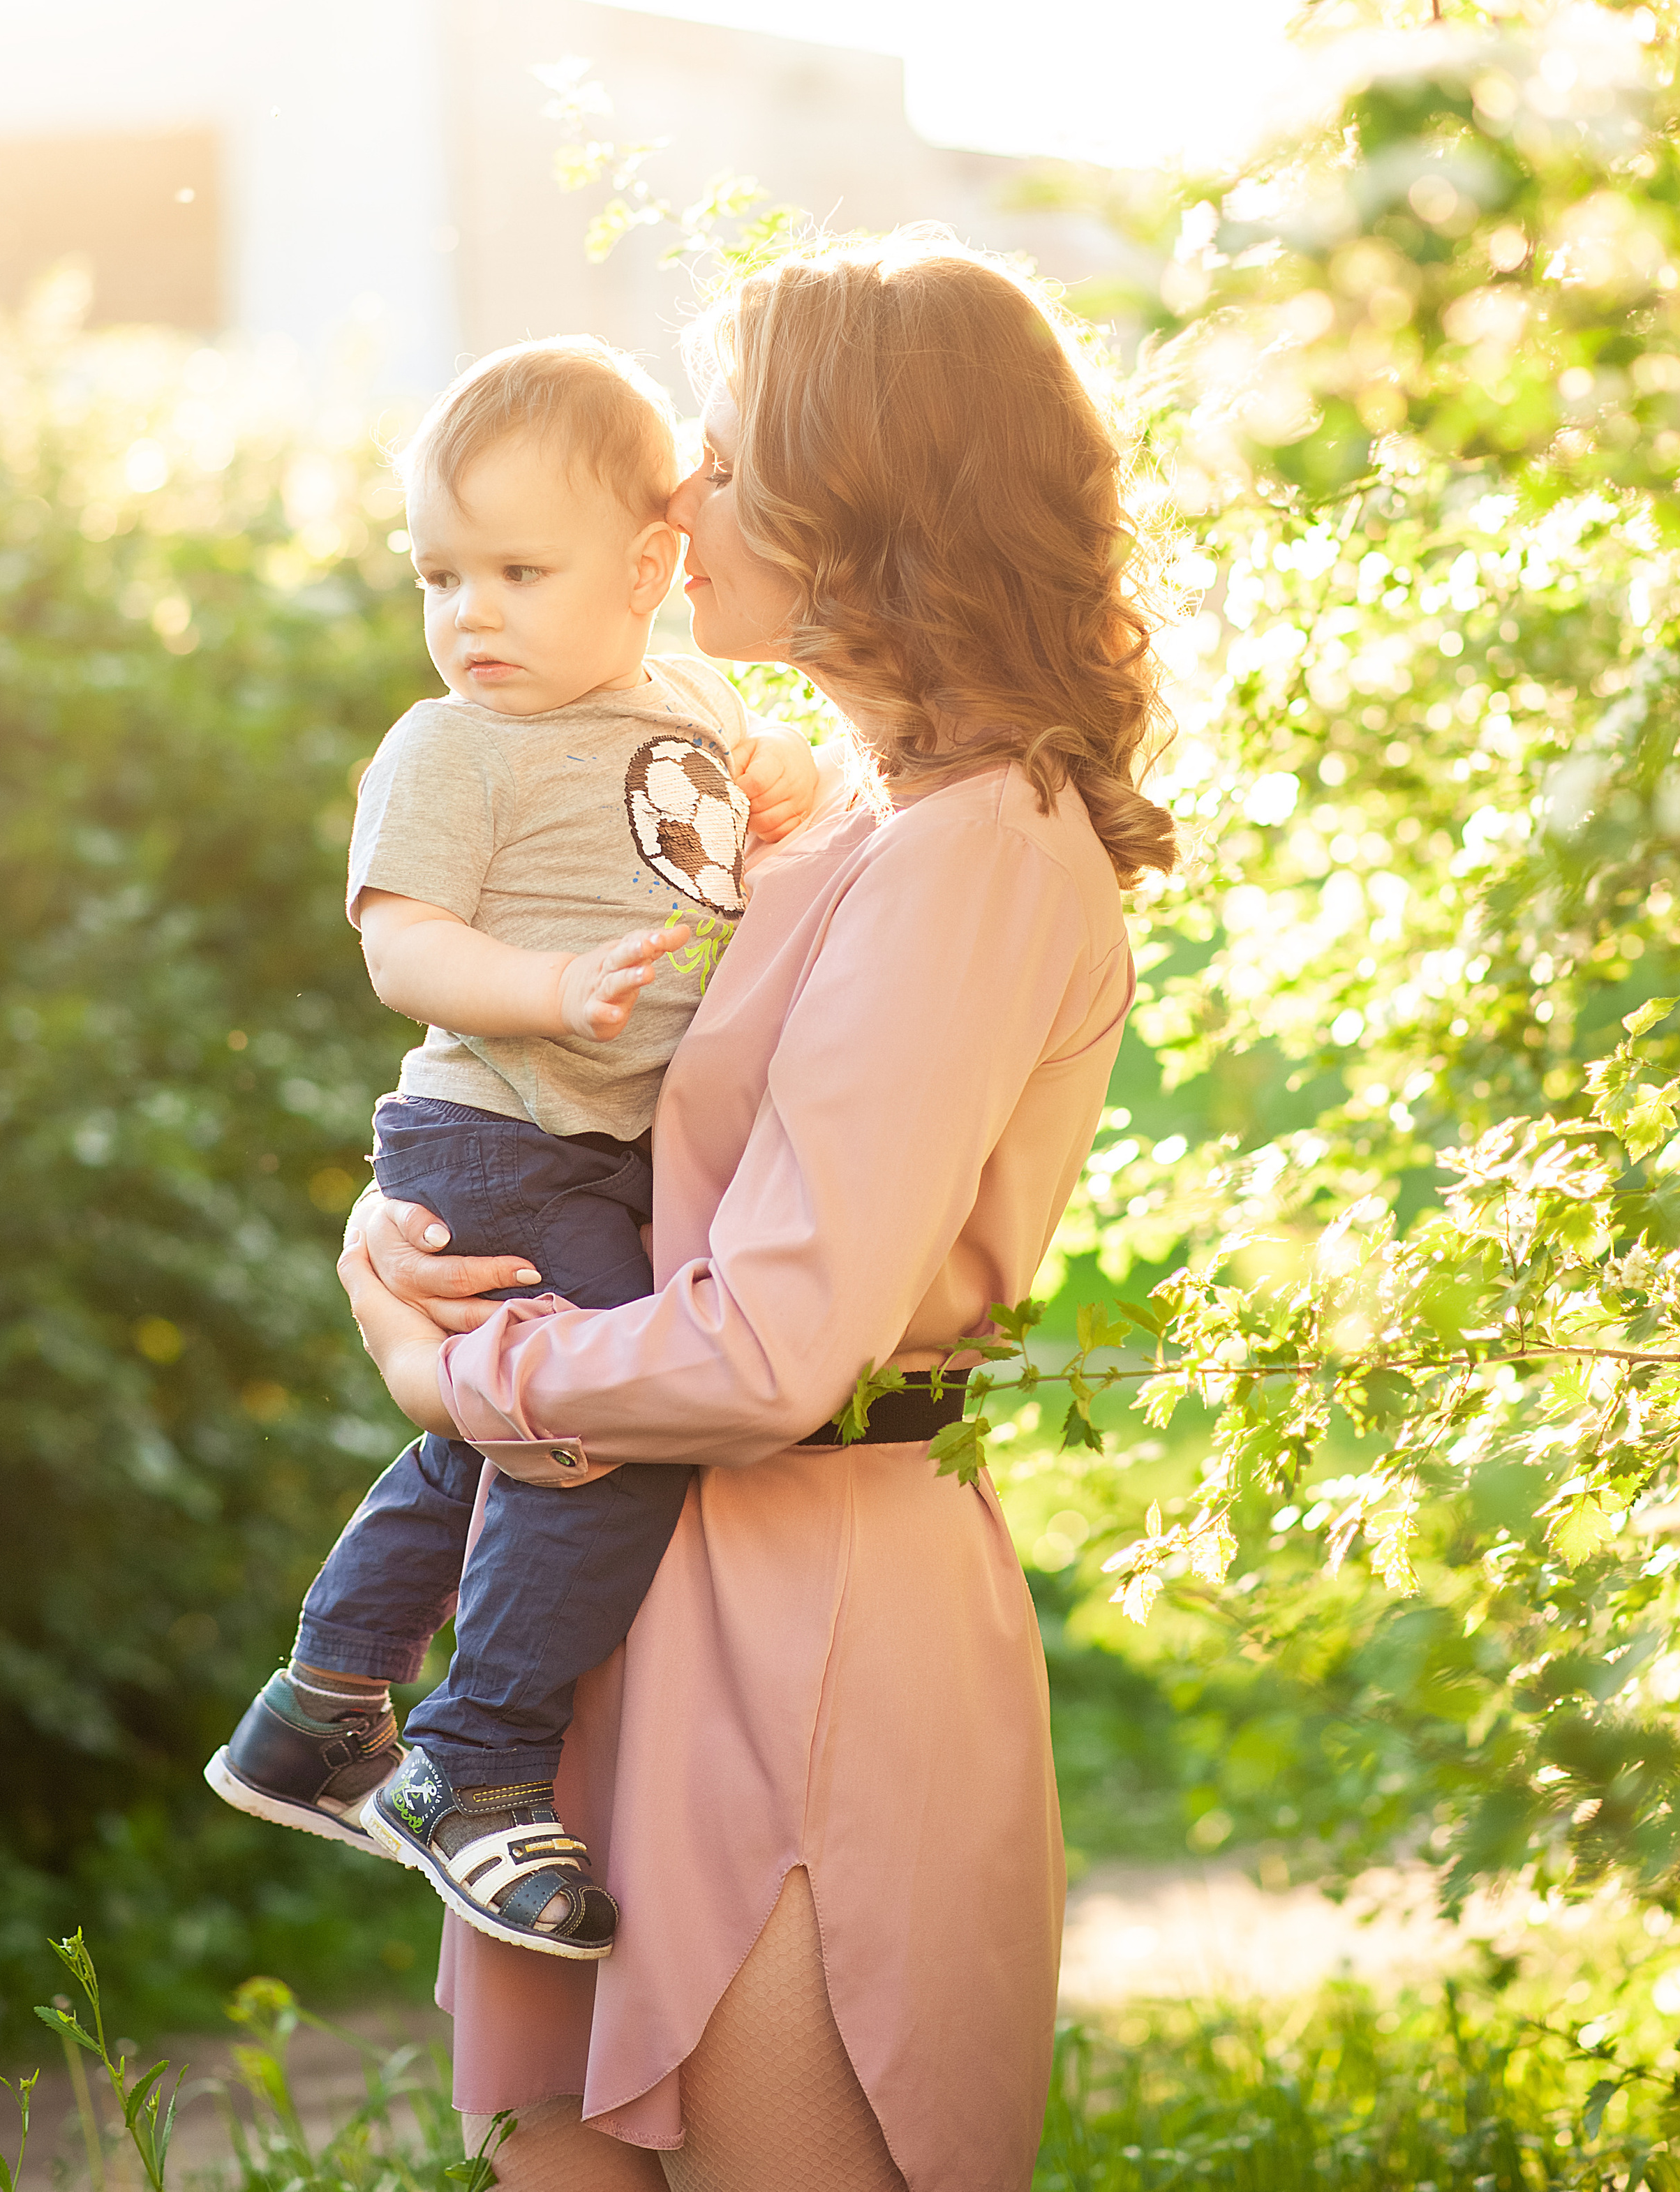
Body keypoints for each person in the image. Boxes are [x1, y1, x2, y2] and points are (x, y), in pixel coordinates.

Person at [340, 232, 1178, 2192]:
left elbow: (784, 1339)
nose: (675, 489)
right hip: (611, 1577)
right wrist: (404, 1240)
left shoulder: (982, 852)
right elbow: (590, 1117)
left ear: (854, 497)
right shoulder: (831, 816)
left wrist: (468, 1371)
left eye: (723, 447)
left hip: (808, 1618)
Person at [206, 335, 818, 1961]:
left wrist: (789, 777)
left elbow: (753, 822)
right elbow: (402, 949)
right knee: (603, 1428)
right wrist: (543, 989)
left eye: (517, 570)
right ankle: (471, 1764)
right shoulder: (446, 748)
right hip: (495, 1134)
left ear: (645, 567)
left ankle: (323, 1705)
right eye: (439, 573)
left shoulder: (687, 697)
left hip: (595, 1151)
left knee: (494, 1438)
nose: (468, 612)